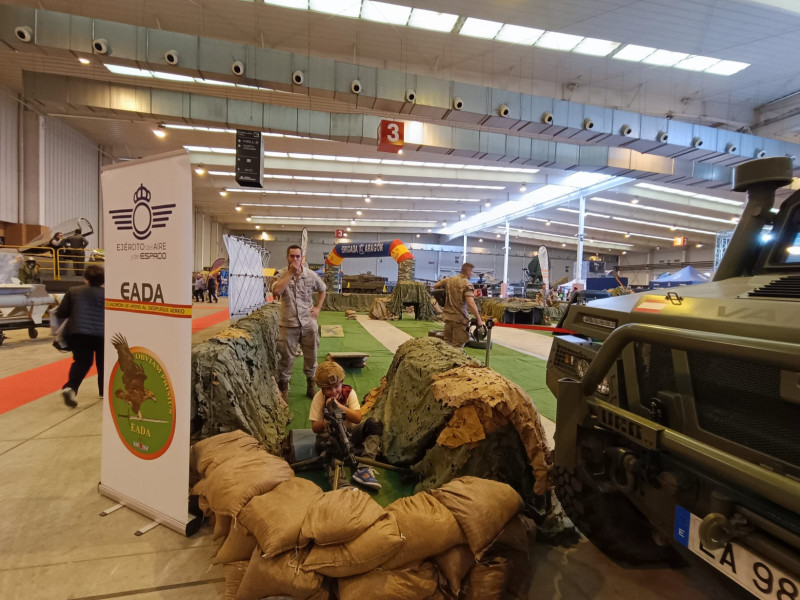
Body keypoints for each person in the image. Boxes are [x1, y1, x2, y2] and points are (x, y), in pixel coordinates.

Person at [309, 360, 384, 490]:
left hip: (350, 433)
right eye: (329, 389)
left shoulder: (349, 393)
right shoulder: (319, 398)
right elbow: (315, 428)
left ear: (342, 383)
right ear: (322, 389)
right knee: (330, 449)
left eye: (337, 386)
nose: (334, 391)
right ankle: (341, 484)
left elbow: (357, 418)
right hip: (329, 437)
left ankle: (365, 468)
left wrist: (339, 407)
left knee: (375, 424)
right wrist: (328, 421)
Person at [270, 245, 326, 400]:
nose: (295, 259)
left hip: (308, 323)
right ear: (287, 258)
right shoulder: (280, 274)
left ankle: (310, 385)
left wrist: (318, 308)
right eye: (292, 256)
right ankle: (284, 390)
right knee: (286, 358)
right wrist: (290, 273)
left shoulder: (311, 275)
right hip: (288, 323)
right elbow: (276, 291)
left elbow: (323, 289)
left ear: (302, 258)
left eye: (298, 256)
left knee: (311, 356)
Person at [56, 264, 105, 408]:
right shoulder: (108, 294)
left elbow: (61, 313)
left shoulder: (73, 291)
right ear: (103, 280)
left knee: (82, 362)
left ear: (85, 278)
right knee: (103, 363)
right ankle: (103, 391)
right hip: (102, 334)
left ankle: (70, 388)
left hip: (78, 333)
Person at [433, 262, 484, 348]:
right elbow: (471, 303)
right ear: (468, 271)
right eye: (472, 272)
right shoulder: (467, 284)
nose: (473, 274)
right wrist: (479, 320)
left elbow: (435, 286)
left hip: (448, 318)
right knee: (458, 347)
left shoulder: (449, 280)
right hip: (460, 320)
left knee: (447, 346)